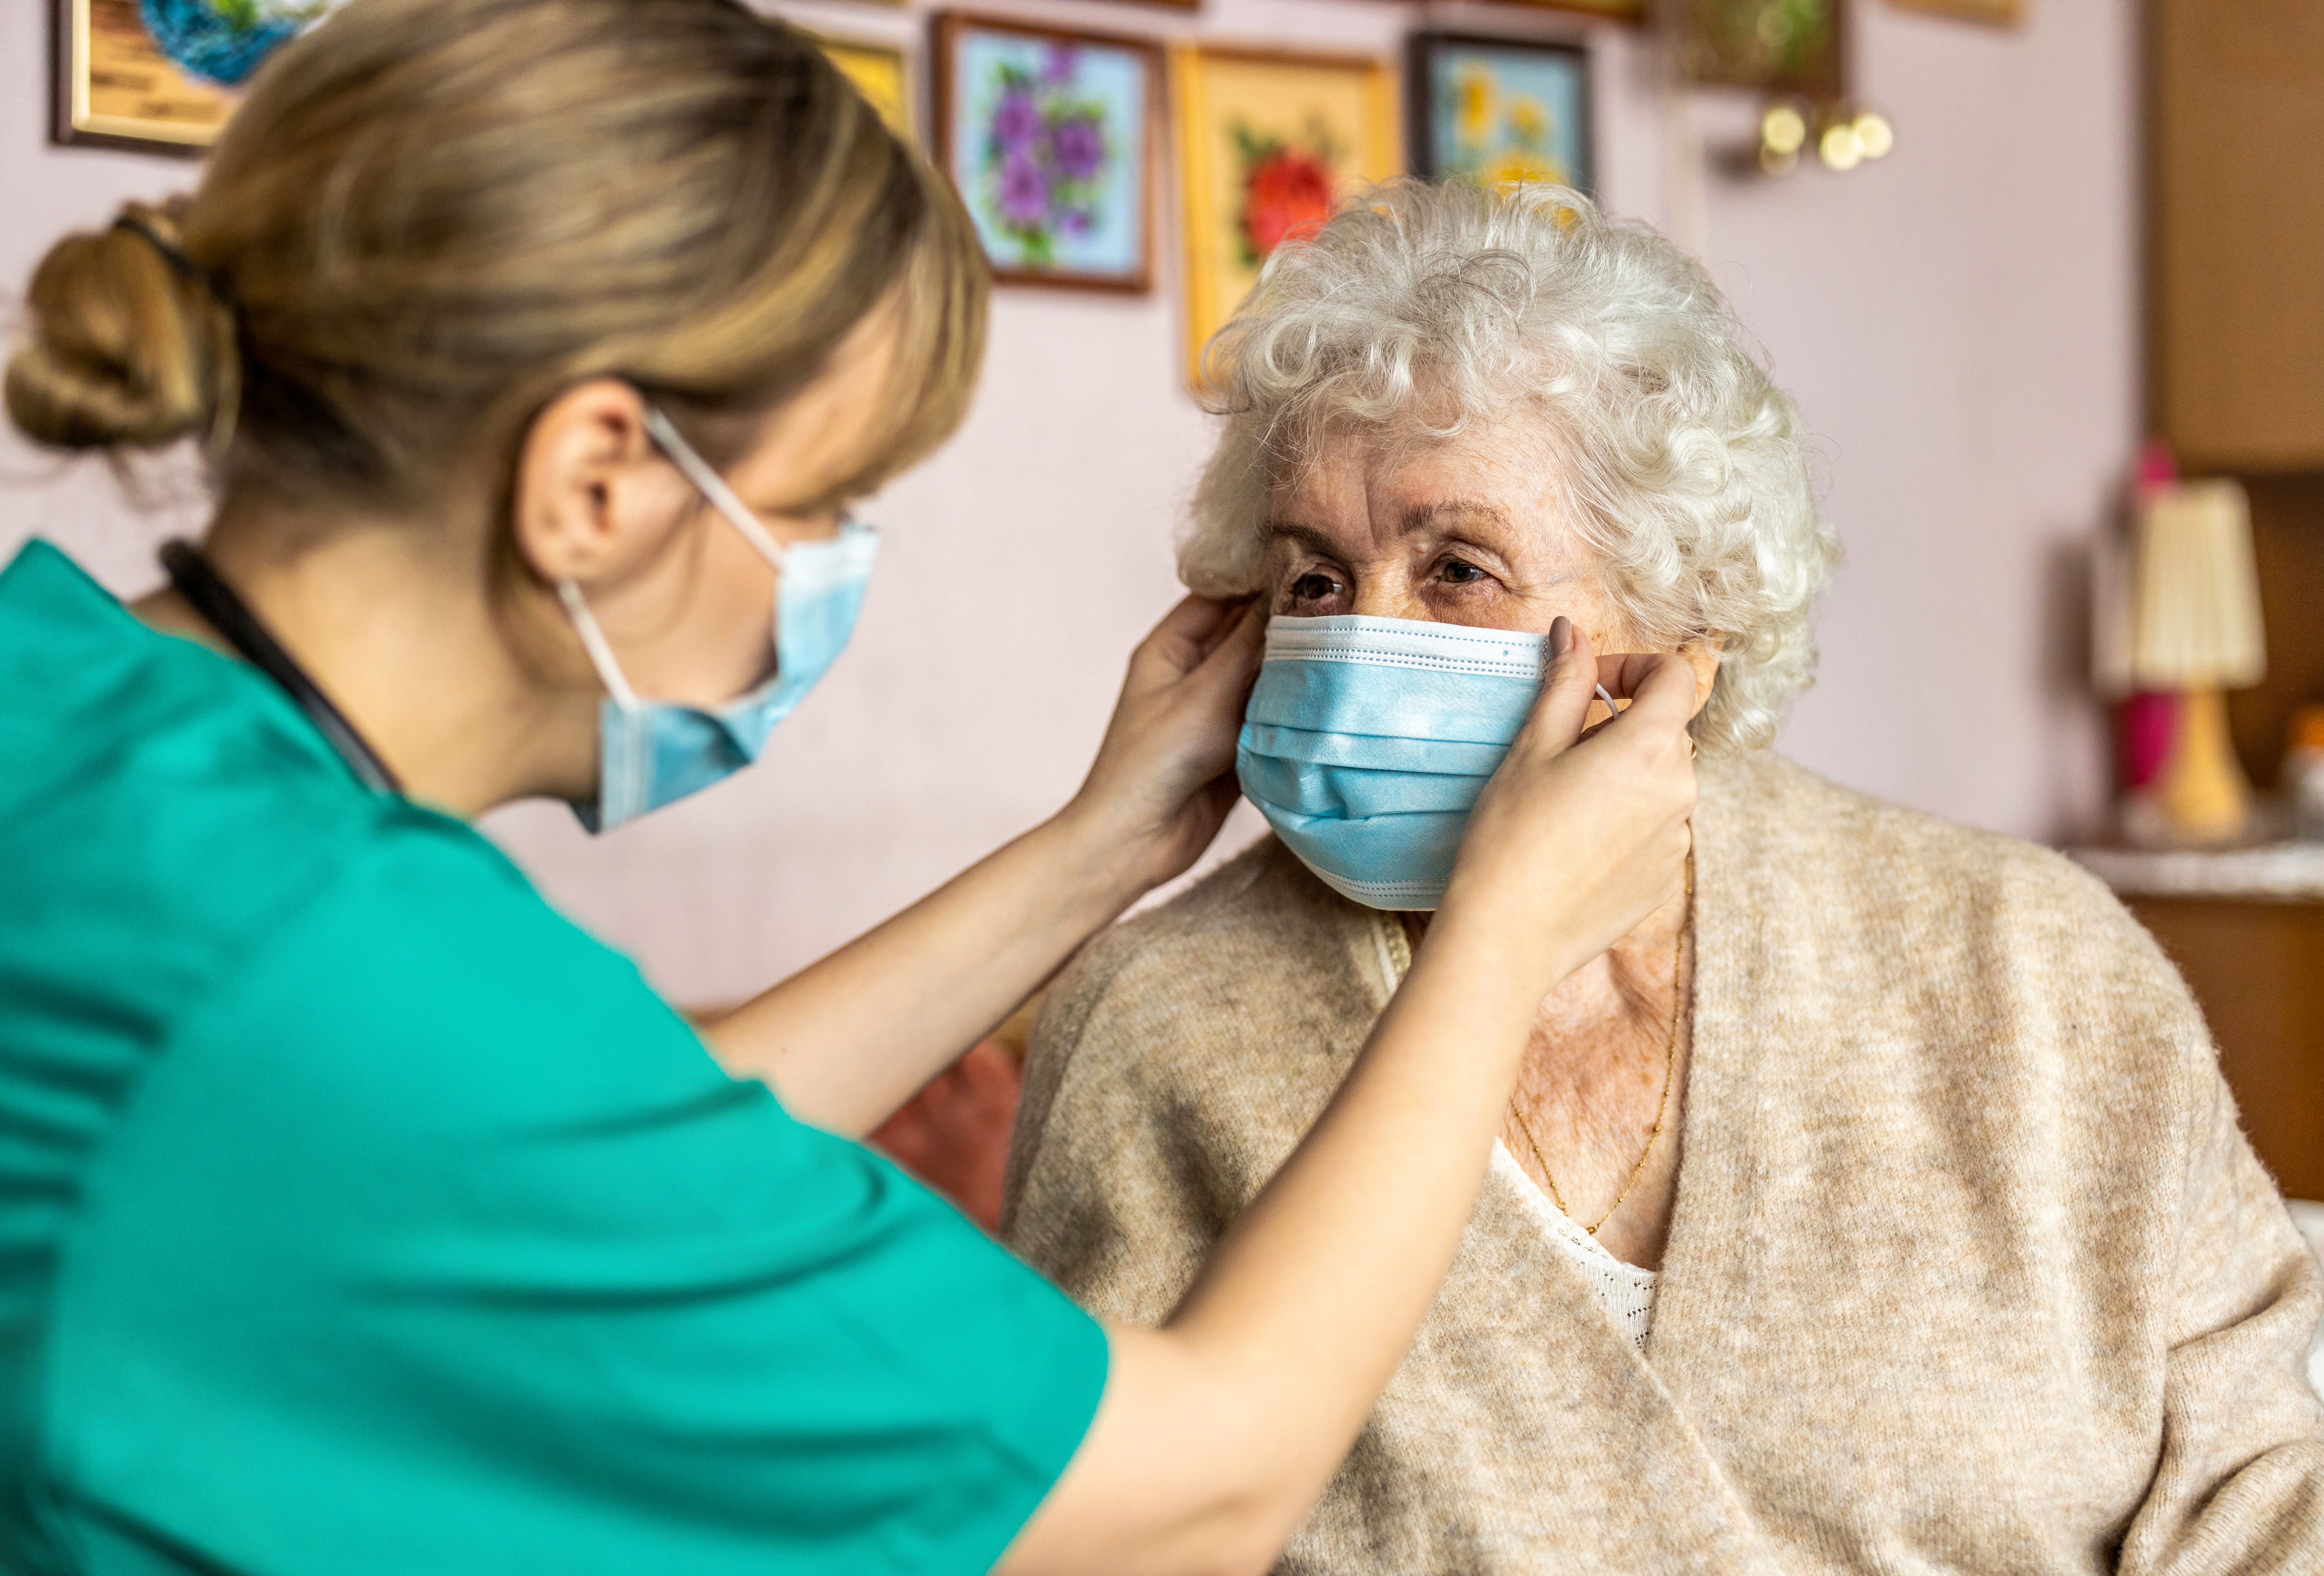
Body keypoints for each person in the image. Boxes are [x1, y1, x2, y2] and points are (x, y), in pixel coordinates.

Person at [0, 7, 1702, 1572]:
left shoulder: (72, 707)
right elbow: (1195, 1485)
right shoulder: (339, 972)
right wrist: (1504, 933)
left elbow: (589, 1152)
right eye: (825, 503)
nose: (826, 572)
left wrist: (1096, 849)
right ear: (596, 483)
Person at [1002, 180, 2324, 1573]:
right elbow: (1094, 1536)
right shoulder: (1156, 1024)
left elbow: (2265, 1491)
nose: (1367, 638)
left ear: (1675, 619)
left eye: (1457, 566)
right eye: (1315, 580)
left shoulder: (2027, 959)